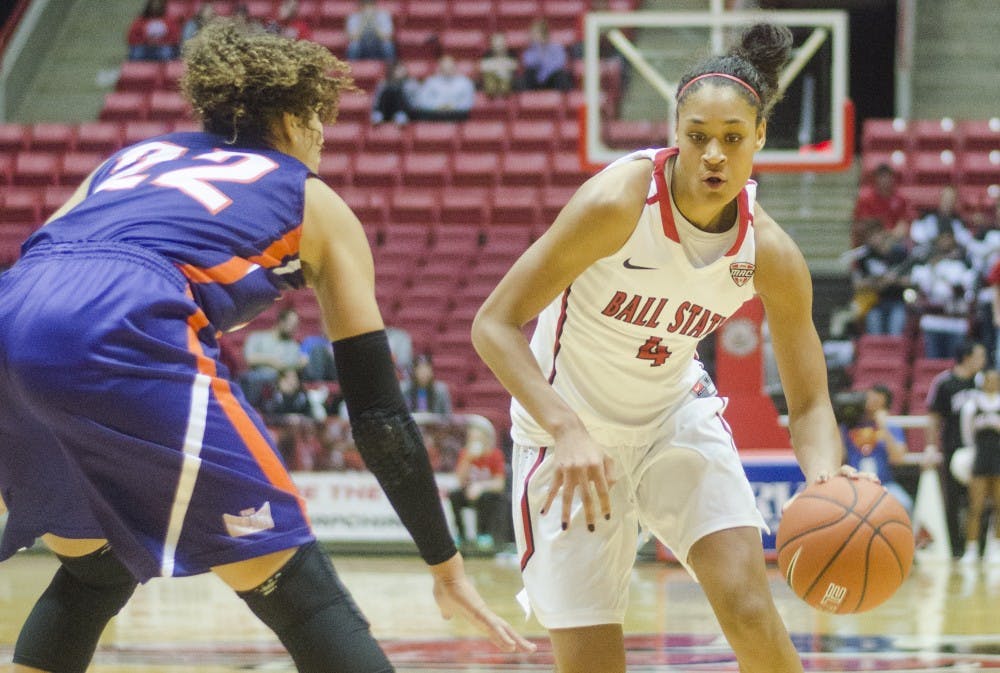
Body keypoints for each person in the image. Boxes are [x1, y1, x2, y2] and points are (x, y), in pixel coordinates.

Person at [0, 18, 532, 673]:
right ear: (292, 119)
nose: (324, 137)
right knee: (303, 597)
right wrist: (444, 562)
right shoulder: (312, 200)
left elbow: (46, 258)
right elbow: (379, 411)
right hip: (121, 316)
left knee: (96, 571)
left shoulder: (133, 157)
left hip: (13, 312)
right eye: (320, 120)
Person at [472, 23, 861, 673]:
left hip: (672, 418)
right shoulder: (617, 203)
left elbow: (812, 400)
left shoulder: (771, 253)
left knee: (750, 612)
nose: (713, 154)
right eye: (698, 137)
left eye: (732, 139)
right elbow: (494, 322)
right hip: (568, 434)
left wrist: (825, 477)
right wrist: (564, 428)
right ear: (674, 132)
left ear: (760, 138)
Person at [926, 340, 988, 559]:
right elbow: (934, 418)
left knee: (981, 500)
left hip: (982, 451)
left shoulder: (983, 382)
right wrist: (931, 447)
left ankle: (979, 547)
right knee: (952, 500)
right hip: (952, 449)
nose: (984, 360)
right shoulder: (944, 383)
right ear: (967, 357)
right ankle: (956, 549)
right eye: (980, 356)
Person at [842, 385, 913, 514]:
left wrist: (883, 426)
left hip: (884, 484)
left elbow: (898, 459)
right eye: (869, 400)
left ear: (884, 406)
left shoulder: (891, 427)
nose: (871, 405)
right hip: (853, 483)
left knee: (904, 503)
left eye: (876, 402)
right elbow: (840, 457)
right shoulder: (848, 426)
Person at [958, 368, 1000, 563]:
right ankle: (972, 548)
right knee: (976, 506)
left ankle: (996, 548)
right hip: (981, 456)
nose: (992, 383)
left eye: (995, 380)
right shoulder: (971, 405)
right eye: (988, 380)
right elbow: (967, 433)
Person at [449, 418, 509, 551]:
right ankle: (461, 535)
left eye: (478, 438)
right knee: (454, 495)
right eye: (472, 438)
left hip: (487, 495)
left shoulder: (495, 455)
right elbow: (459, 481)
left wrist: (481, 487)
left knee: (485, 498)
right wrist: (468, 460)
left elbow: (499, 484)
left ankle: (484, 534)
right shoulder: (465, 454)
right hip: (469, 492)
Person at [241, 307, 306, 408]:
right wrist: (270, 362)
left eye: (296, 325)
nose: (294, 328)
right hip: (258, 379)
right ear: (281, 322)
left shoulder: (293, 346)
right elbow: (250, 359)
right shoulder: (257, 337)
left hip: (281, 384)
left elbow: (292, 367)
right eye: (292, 324)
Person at [851, 163, 911, 247]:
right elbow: (862, 224)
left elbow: (904, 222)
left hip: (892, 239)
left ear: (893, 178)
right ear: (876, 179)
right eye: (882, 177)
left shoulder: (900, 200)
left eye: (887, 176)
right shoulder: (866, 200)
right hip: (871, 240)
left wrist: (892, 235)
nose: (885, 180)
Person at [410, 55, 476, 122]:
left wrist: (452, 107)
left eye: (450, 67)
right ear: (439, 68)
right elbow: (422, 100)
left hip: (457, 116)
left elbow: (467, 102)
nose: (447, 70)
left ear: (455, 67)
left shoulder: (465, 82)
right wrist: (438, 107)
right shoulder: (431, 82)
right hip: (433, 116)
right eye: (444, 67)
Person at [519, 19, 573, 91]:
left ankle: (564, 101)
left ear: (544, 34)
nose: (533, 36)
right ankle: (526, 100)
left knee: (561, 76)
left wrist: (545, 73)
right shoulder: (530, 49)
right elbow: (528, 62)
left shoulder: (557, 47)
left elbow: (560, 63)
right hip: (535, 82)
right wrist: (539, 50)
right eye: (532, 34)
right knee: (526, 75)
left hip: (551, 80)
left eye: (536, 33)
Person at [370, 61, 419, 125]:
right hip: (386, 110)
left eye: (402, 69)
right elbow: (377, 101)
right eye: (398, 70)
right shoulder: (383, 84)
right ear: (392, 72)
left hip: (406, 111)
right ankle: (379, 115)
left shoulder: (411, 83)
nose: (401, 72)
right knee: (388, 90)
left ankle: (400, 115)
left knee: (397, 91)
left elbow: (414, 103)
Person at [479, 32, 520, 98]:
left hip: (508, 81)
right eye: (496, 42)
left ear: (505, 42)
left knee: (506, 77)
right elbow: (482, 67)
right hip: (492, 80)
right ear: (492, 44)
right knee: (489, 77)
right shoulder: (487, 55)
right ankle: (492, 91)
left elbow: (515, 66)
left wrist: (494, 66)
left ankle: (503, 90)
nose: (499, 45)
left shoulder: (512, 54)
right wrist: (502, 66)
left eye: (501, 42)